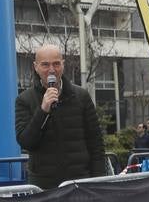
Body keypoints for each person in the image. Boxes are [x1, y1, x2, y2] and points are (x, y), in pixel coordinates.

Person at [14, 43, 108, 189]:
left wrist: (99, 182)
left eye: (56, 64)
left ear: (63, 65)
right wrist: (43, 110)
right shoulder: (24, 100)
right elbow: (26, 142)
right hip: (44, 186)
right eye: (45, 65)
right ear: (36, 67)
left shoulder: (81, 96)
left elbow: (96, 143)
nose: (51, 70)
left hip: (80, 183)